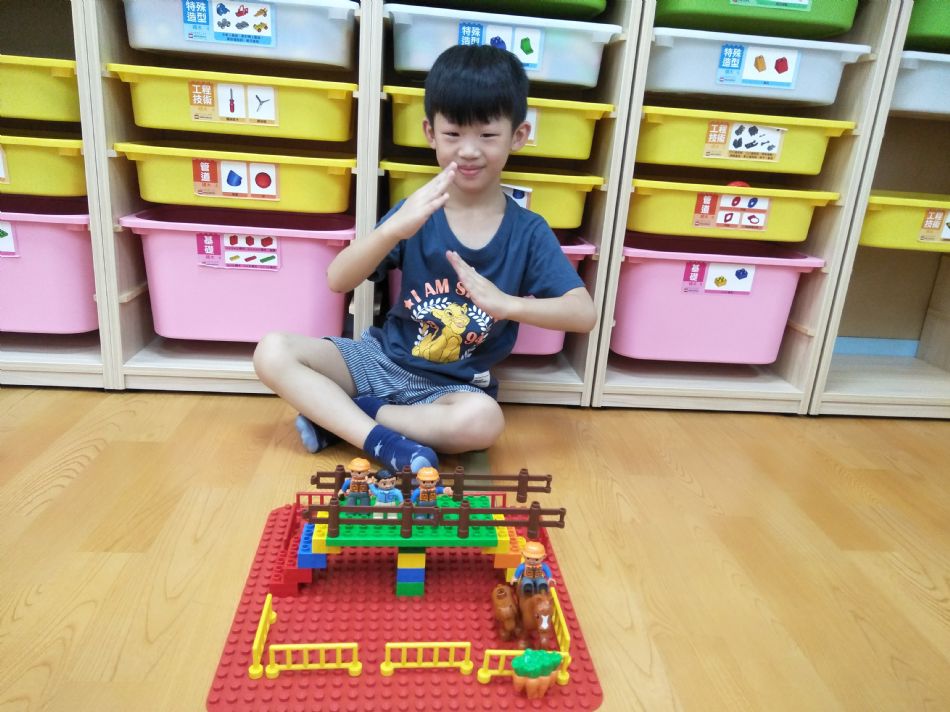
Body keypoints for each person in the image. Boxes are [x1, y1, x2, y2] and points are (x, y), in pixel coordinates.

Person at [253, 44, 596, 474]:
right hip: (380, 361)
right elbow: (337, 280)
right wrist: (392, 230)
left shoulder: (528, 231)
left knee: (484, 422)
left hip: (452, 388)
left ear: (518, 136)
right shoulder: (415, 211)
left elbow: (583, 314)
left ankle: (352, 420)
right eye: (453, 134)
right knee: (272, 351)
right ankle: (380, 439)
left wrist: (508, 305)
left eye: (487, 135)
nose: (468, 150)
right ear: (430, 133)